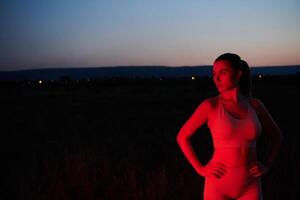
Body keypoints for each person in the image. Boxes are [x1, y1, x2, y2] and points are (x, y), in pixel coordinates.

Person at [176, 53, 283, 200]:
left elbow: (277, 136)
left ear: (238, 74)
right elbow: (182, 137)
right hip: (218, 184)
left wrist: (266, 164)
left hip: (250, 185)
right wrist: (200, 169)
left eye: (223, 73)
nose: (216, 78)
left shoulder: (255, 105)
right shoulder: (210, 106)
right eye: (214, 74)